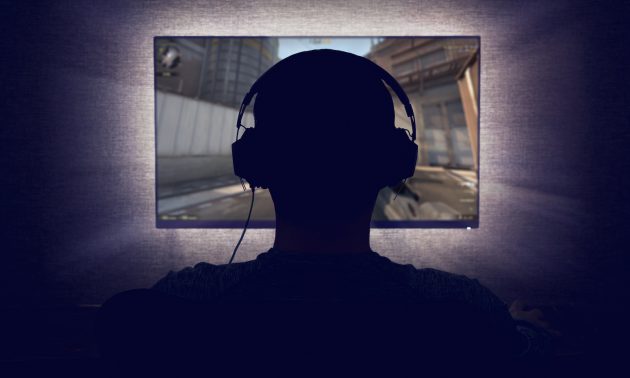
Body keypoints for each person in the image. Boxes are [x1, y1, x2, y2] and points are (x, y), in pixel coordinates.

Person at [98, 49, 554, 375]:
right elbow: (526, 355)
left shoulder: (184, 300)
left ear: (253, 162)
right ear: (396, 163)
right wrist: (523, 327)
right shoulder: (462, 308)